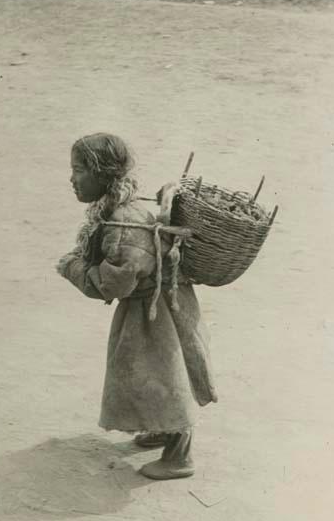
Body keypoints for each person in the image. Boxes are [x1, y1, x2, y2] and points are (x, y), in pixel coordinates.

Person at [57, 132, 217, 480]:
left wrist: (72, 266)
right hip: (151, 307)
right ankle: (162, 429)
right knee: (145, 375)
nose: (72, 178)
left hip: (157, 313)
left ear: (102, 173)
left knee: (163, 376)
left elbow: (113, 282)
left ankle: (180, 456)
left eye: (79, 169)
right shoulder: (116, 211)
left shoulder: (122, 223)